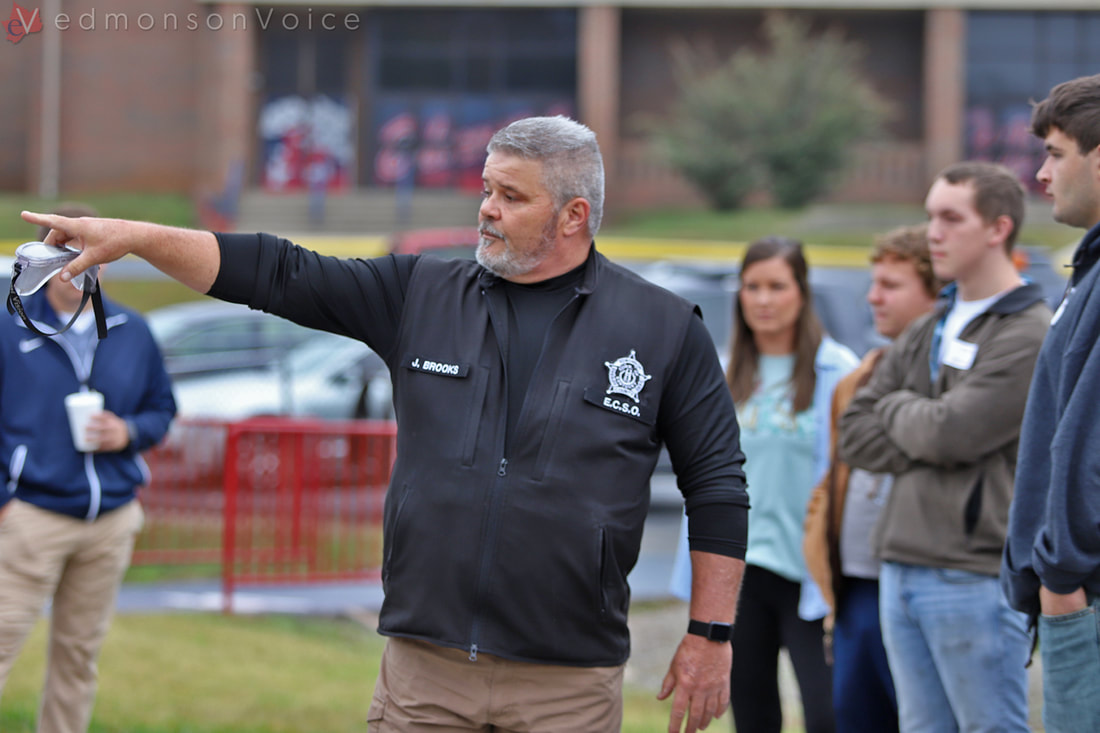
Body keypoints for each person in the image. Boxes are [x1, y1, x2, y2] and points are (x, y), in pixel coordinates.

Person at [20, 116, 750, 733]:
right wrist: (139, 236)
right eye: (485, 189)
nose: (485, 209)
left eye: (509, 195)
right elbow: (280, 272)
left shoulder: (660, 328)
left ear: (573, 216)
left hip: (569, 682)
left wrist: (710, 634)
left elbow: (717, 485)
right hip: (422, 671)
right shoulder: (421, 291)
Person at [838, 161, 1050, 733]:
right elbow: (855, 433)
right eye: (931, 216)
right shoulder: (931, 324)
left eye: (951, 218)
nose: (934, 232)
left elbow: (949, 433)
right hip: (899, 565)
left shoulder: (1027, 332)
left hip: (972, 576)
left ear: (998, 228)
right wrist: (926, 425)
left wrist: (904, 411)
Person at [0, 203, 177, 733]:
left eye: (90, 254)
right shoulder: (9, 328)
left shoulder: (133, 330)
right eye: (66, 256)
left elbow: (162, 409)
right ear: (43, 261)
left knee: (78, 660)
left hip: (111, 521)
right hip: (31, 517)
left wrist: (130, 432)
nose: (80, 268)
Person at [671, 237, 858, 733]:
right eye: (752, 287)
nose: (763, 299)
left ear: (802, 293)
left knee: (828, 715)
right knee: (753, 717)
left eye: (777, 286)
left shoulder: (838, 373)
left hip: (810, 577)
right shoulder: (721, 372)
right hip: (743, 574)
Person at [802, 224, 941, 733]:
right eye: (873, 282)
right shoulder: (857, 379)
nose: (873, 297)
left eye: (891, 285)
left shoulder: (953, 374)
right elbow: (831, 479)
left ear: (935, 290)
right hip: (856, 589)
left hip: (921, 583)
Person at [1002, 73, 1100, 733]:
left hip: (1082, 596)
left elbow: (1083, 442)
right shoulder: (1089, 269)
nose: (1041, 173)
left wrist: (1062, 577)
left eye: (1056, 153)